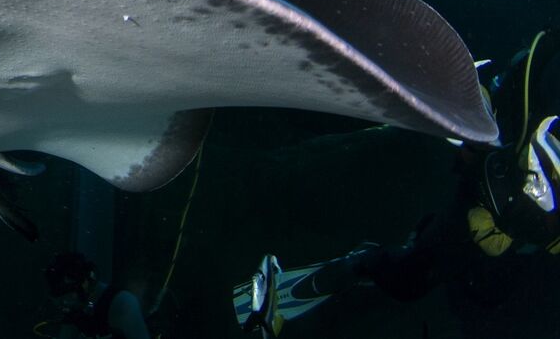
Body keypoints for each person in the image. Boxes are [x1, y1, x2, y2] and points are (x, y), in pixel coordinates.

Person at [233, 31, 560, 335]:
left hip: (511, 225)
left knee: (474, 292)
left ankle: (375, 263)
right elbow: (507, 100)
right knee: (412, 277)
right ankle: (359, 265)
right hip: (488, 180)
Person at [42, 252, 151, 339]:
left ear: (84, 284)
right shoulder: (75, 313)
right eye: (60, 300)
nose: (64, 305)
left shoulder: (122, 304)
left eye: (67, 298)